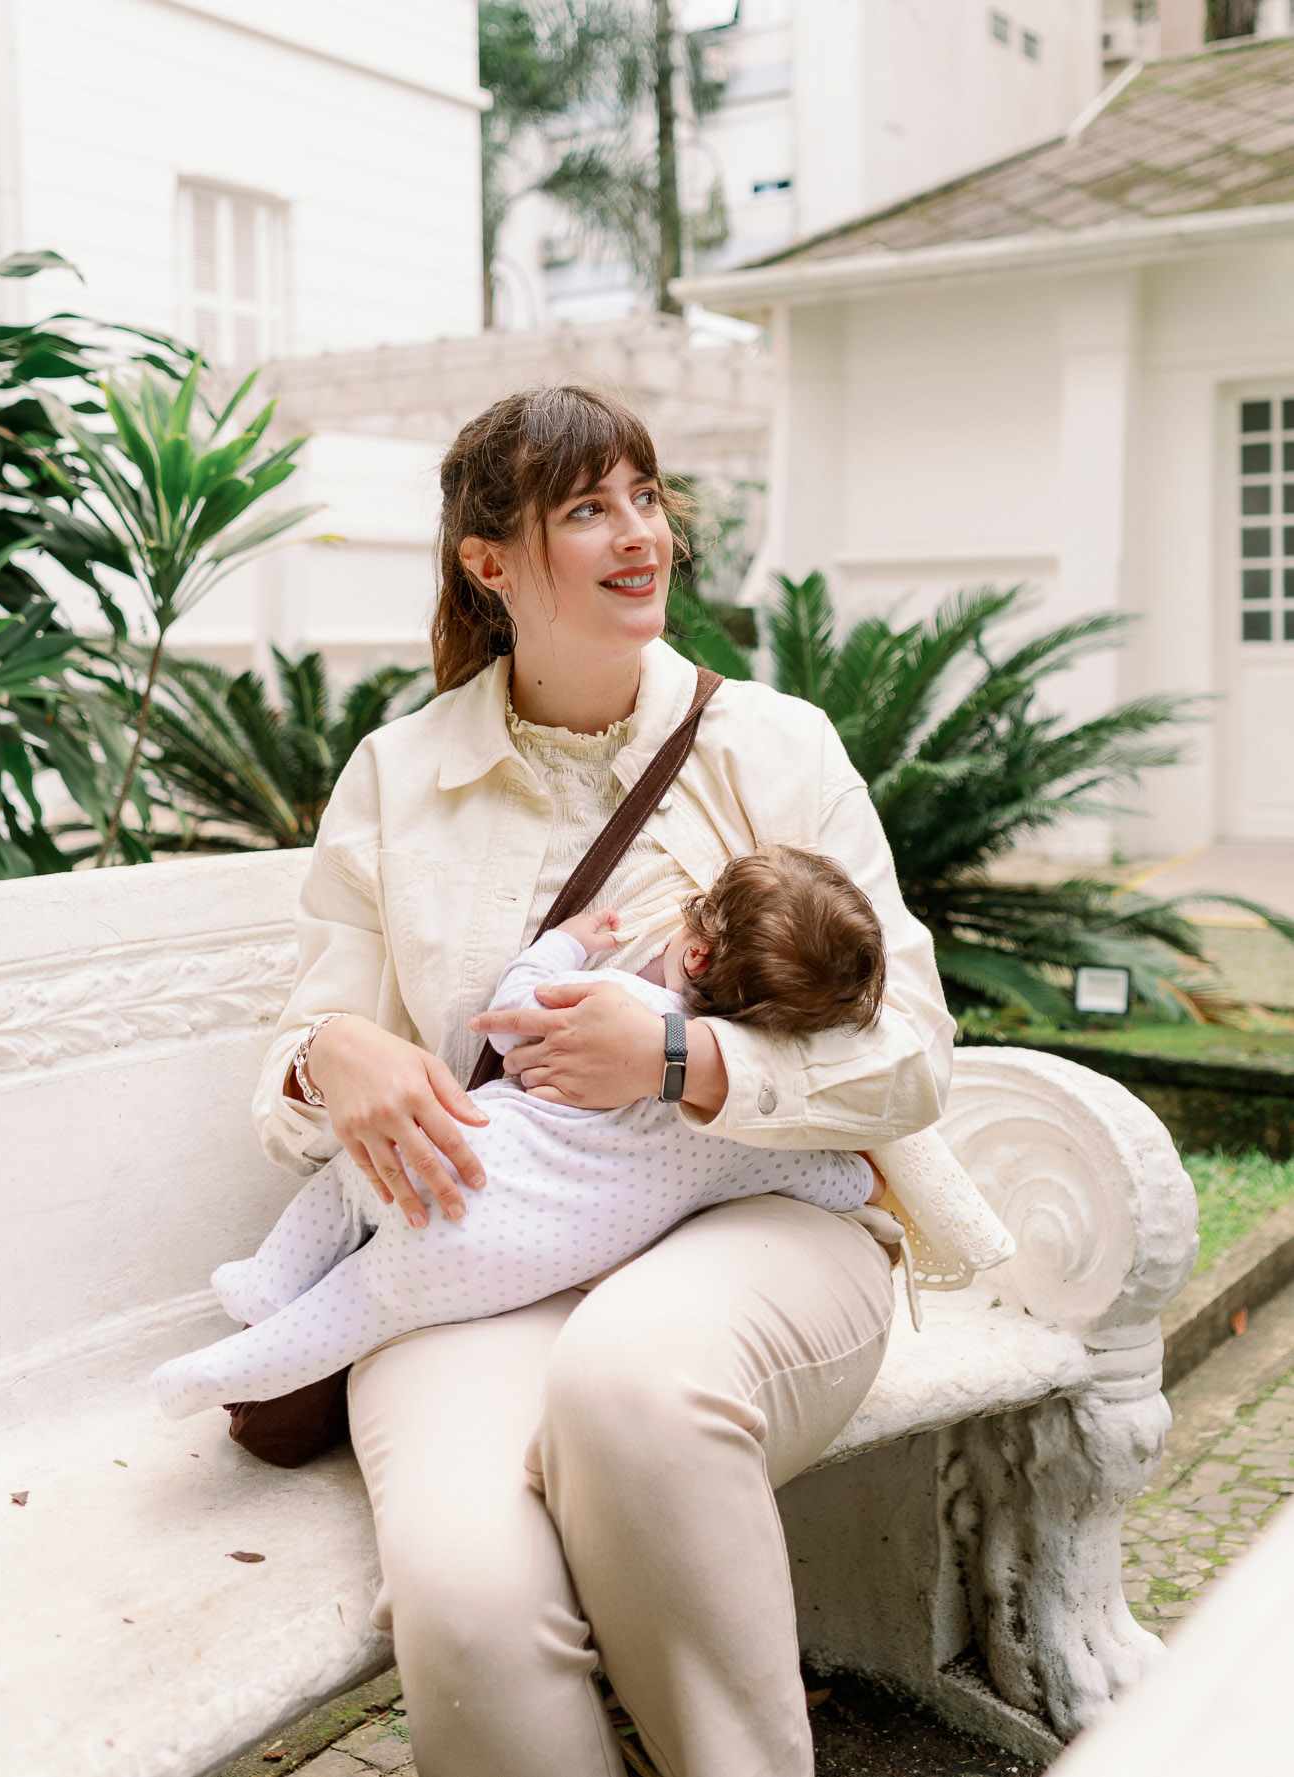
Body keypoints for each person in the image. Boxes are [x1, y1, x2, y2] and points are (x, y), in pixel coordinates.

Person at [248, 384, 956, 1777]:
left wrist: (685, 1058)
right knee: (468, 1602)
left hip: (759, 1233)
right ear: (489, 564)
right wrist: (338, 1055)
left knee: (631, 1380)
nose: (639, 537)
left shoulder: (775, 746)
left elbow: (912, 1053)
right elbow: (295, 1066)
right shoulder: (399, 778)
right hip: (482, 1259)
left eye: (645, 498)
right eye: (586, 509)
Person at [152, 846, 896, 1419]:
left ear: (695, 952)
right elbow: (819, 1176)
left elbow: (510, 1017)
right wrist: (861, 1178)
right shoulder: (729, 1123)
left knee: (346, 1185)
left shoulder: (617, 1000)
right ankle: (224, 1369)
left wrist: (566, 943)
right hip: (514, 1259)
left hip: (454, 1149)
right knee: (360, 1305)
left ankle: (268, 1281)